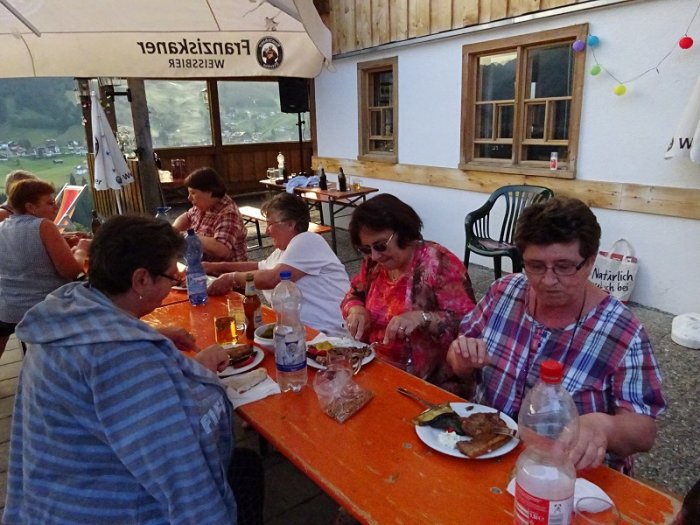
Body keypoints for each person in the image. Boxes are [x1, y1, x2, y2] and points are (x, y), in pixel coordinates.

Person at [3, 215, 264, 524]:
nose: (173, 285)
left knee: (244, 465)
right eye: (171, 277)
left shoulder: (64, 321)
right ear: (141, 280)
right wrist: (201, 374)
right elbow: (182, 475)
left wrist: (156, 339)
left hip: (50, 499)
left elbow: (129, 401)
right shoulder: (123, 359)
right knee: (244, 470)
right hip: (110, 509)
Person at [447, 196, 666, 473]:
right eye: (535, 266)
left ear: (590, 261)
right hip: (487, 453)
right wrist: (461, 359)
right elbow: (457, 358)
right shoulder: (504, 292)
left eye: (564, 267)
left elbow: (644, 432)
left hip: (568, 472)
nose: (548, 280)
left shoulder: (623, 331)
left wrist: (605, 426)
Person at [341, 193, 476, 393]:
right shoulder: (374, 263)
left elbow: (469, 323)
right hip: (375, 367)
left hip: (429, 383)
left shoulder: (438, 263)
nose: (375, 255)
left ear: (403, 233)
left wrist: (422, 318)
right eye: (366, 249)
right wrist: (356, 309)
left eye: (380, 245)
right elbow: (354, 294)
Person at [206, 192, 350, 337]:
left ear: (290, 224)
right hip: (299, 332)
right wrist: (215, 267)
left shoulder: (307, 240)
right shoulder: (284, 251)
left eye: (270, 224)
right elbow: (259, 267)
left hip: (329, 335)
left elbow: (272, 278)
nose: (267, 231)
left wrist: (231, 278)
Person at [0, 179, 89, 359]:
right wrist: (81, 250)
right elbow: (71, 271)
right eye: (50, 203)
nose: (56, 207)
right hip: (46, 307)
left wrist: (65, 247)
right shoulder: (43, 225)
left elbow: (28, 257)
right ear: (31, 207)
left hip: (9, 310)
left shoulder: (2, 227)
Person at [173, 167, 247, 262]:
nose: (189, 198)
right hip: (203, 265)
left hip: (226, 269)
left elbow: (221, 249)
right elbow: (187, 216)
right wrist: (173, 231)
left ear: (209, 192)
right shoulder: (203, 205)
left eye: (193, 193)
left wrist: (188, 236)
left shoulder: (228, 213)